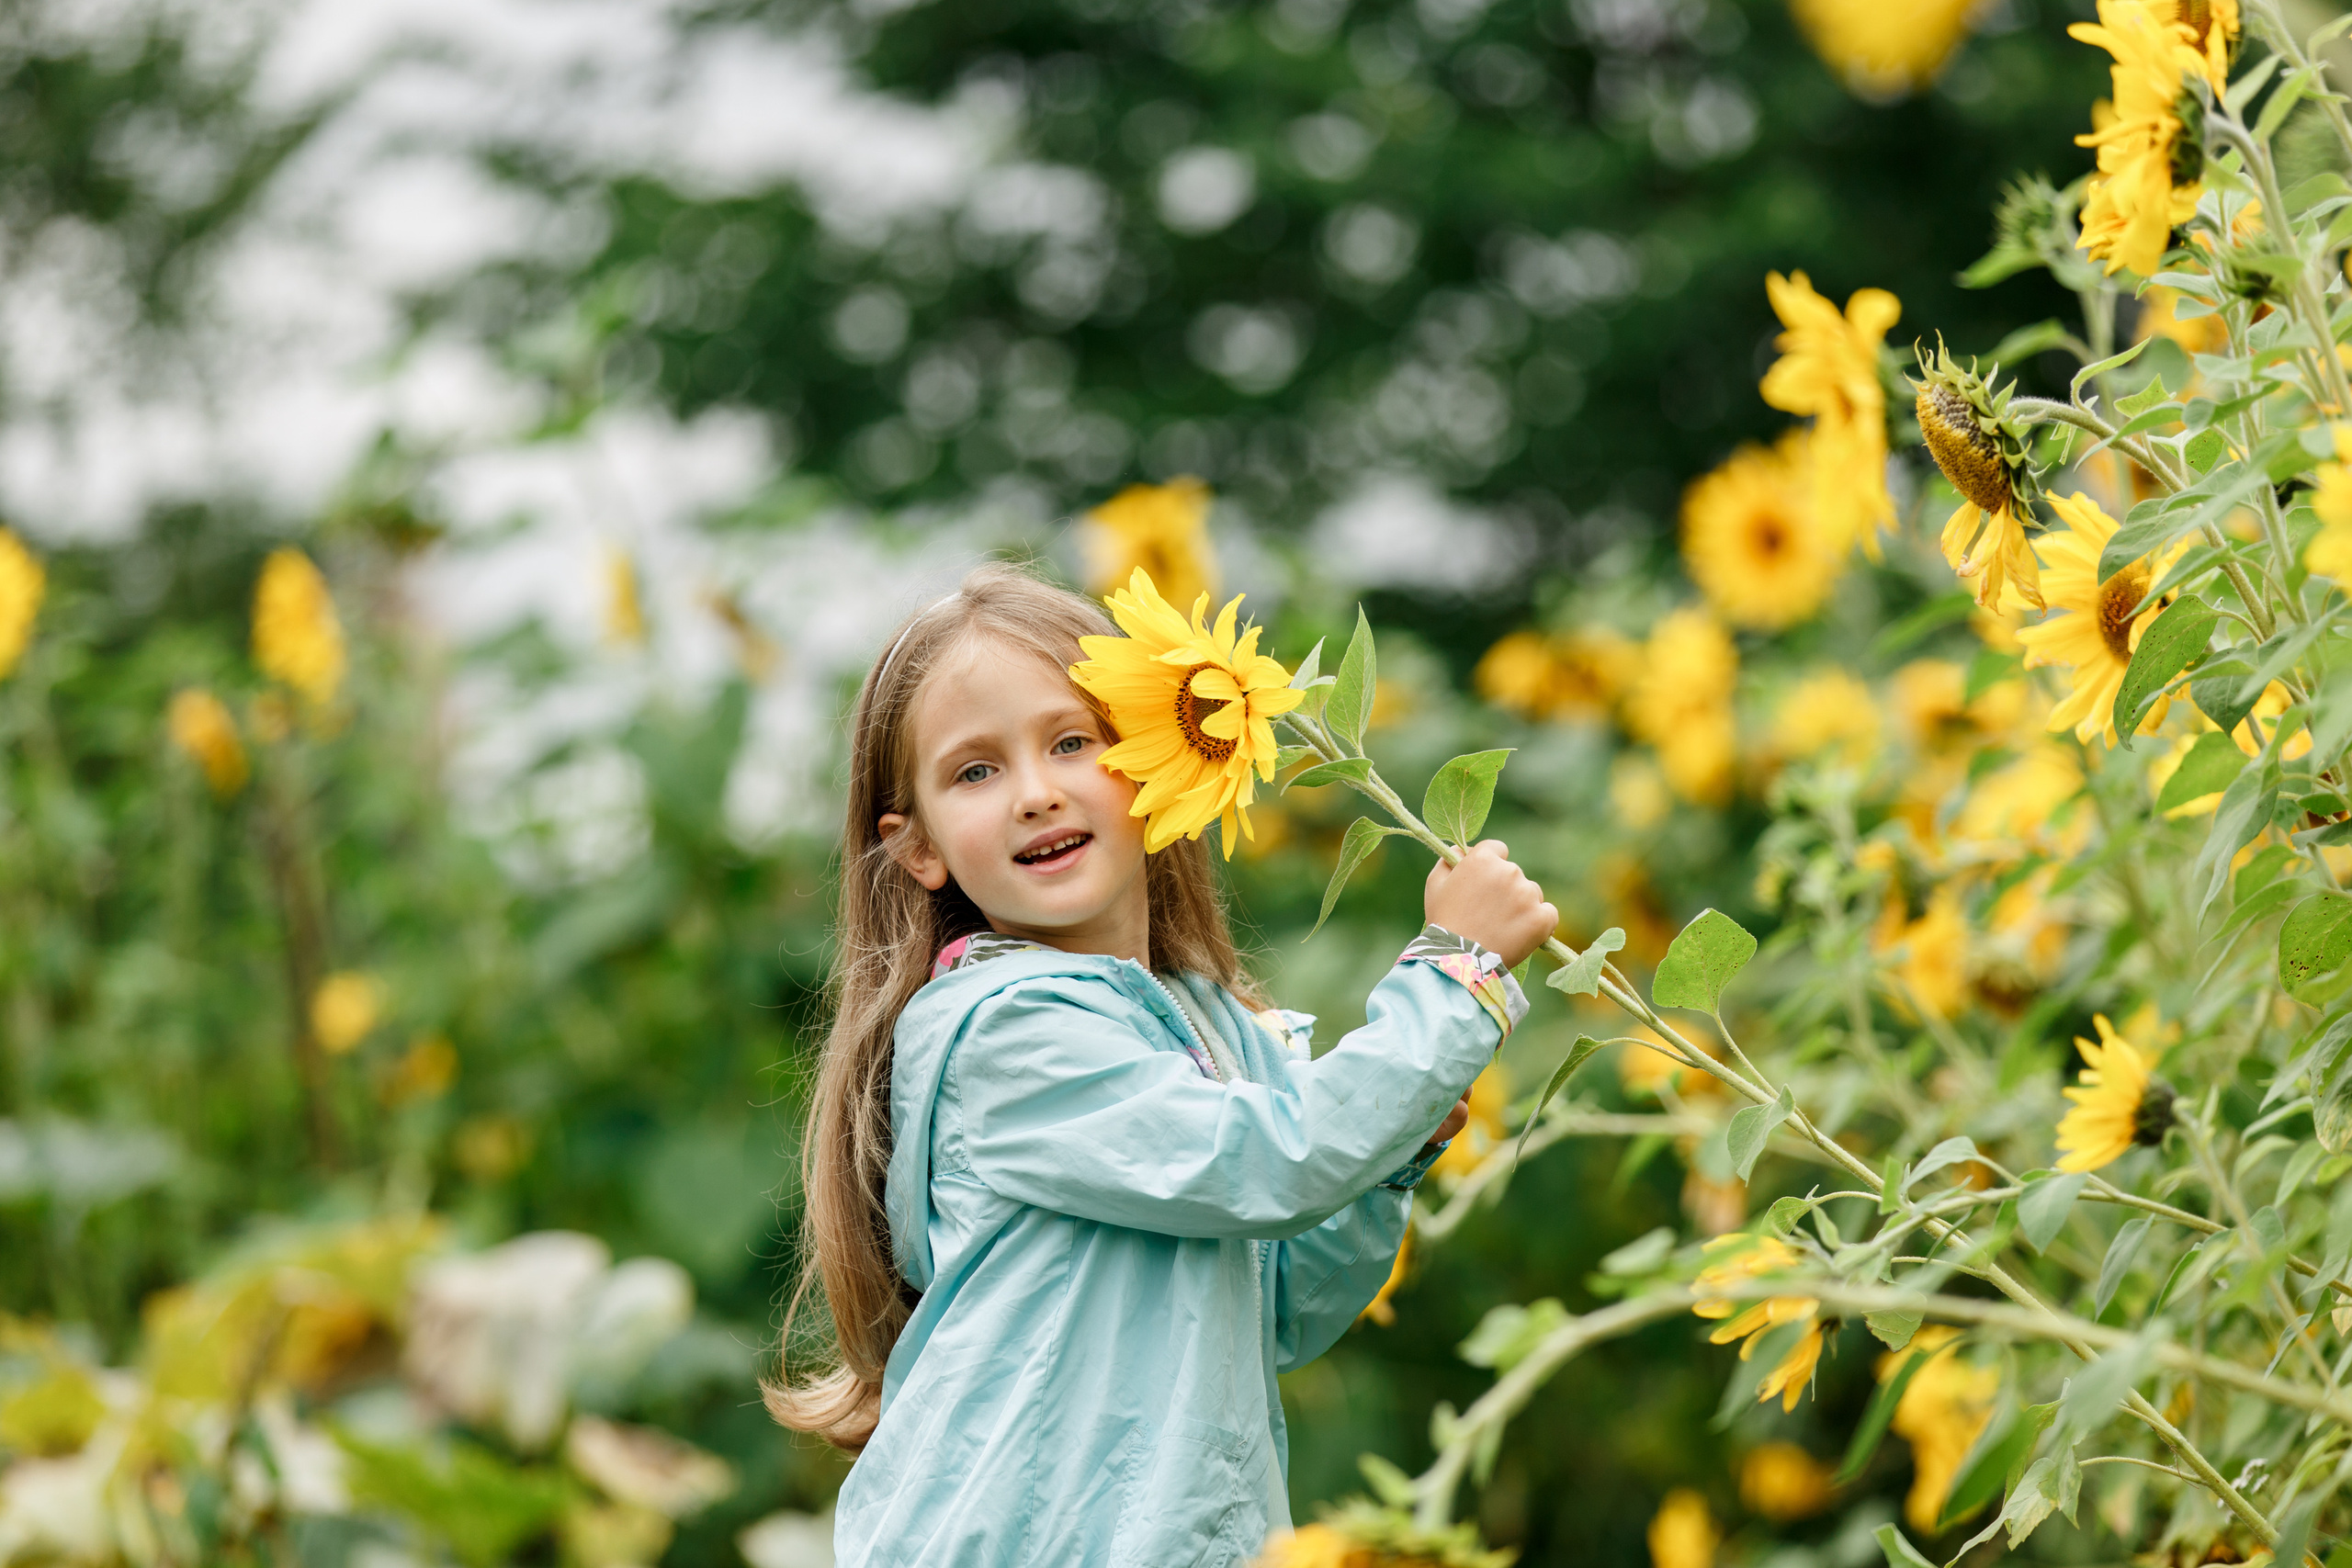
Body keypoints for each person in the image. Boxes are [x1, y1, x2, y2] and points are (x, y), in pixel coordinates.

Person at [766, 562, 1556, 1565]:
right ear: (916, 847)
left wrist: (1390, 1149)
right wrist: (1456, 972)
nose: (1035, 794)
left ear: (1152, 759)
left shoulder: (1205, 1026)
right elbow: (1273, 1162)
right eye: (976, 771)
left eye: (1070, 742)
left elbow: (1287, 1302)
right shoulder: (1006, 1034)